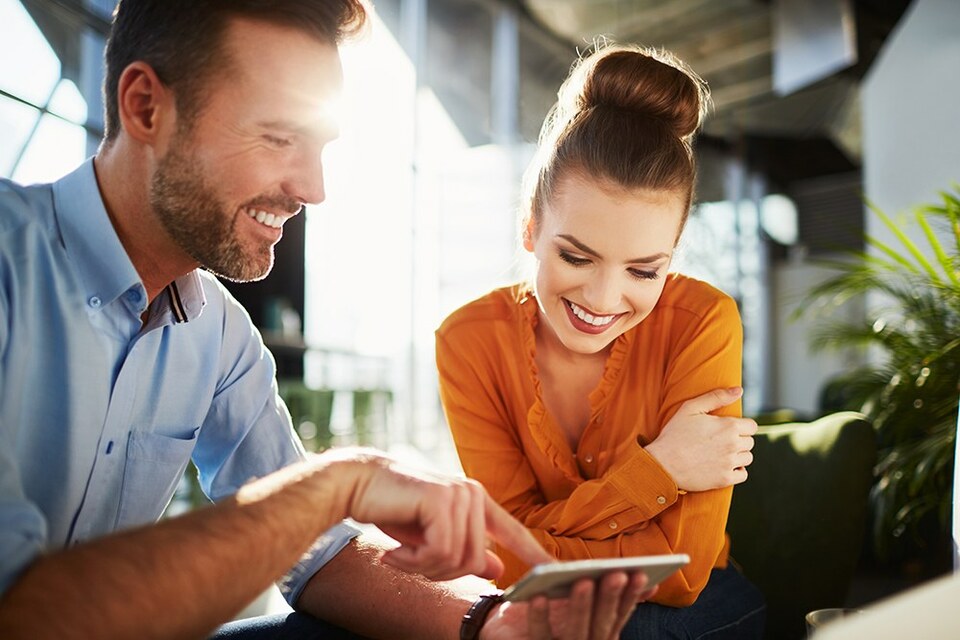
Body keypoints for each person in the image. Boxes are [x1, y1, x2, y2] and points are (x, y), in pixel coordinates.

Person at [0, 3, 656, 639]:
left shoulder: (218, 336)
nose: (313, 189)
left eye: (318, 146)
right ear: (145, 107)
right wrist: (338, 483)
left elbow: (315, 551)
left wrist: (491, 624)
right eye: (279, 137)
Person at [435, 42, 766, 638]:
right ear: (530, 227)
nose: (604, 299)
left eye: (644, 271)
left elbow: (683, 574)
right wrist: (660, 471)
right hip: (548, 611)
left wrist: (537, 542)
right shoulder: (467, 342)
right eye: (577, 256)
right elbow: (502, 549)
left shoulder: (702, 323)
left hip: (697, 608)